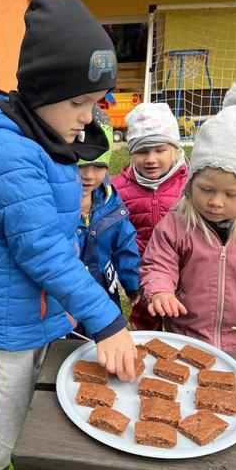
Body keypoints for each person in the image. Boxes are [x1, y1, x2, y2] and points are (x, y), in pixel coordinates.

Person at [0, 0, 140, 470]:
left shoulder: (51, 136)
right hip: (7, 325)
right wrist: (105, 320)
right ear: (41, 92)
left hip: (45, 316)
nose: (89, 117)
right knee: (1, 423)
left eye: (97, 102)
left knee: (36, 412)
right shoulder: (5, 152)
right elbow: (41, 249)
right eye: (80, 102)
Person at [139, 77, 236, 351]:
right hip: (184, 332)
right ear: (191, 183)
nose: (215, 202)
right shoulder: (177, 222)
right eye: (206, 189)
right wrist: (160, 290)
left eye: (230, 194)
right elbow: (158, 263)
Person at [112, 101, 188, 330]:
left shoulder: (190, 186)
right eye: (142, 151)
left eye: (160, 150)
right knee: (146, 321)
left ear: (175, 150)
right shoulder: (118, 189)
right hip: (140, 270)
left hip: (183, 269)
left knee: (182, 318)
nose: (151, 159)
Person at [76, 105, 140, 330]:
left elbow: (124, 245)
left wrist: (133, 284)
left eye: (98, 166)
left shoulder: (111, 200)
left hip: (104, 293)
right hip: (65, 302)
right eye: (80, 165)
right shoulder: (52, 204)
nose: (89, 175)